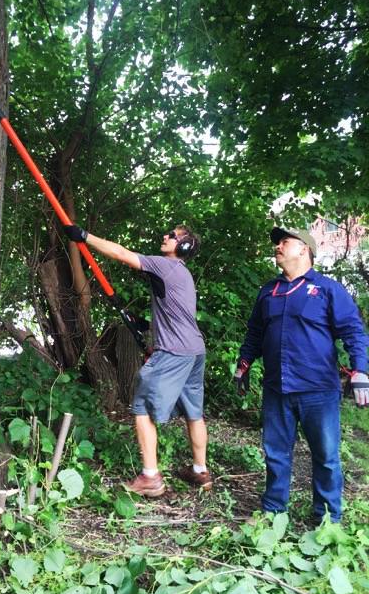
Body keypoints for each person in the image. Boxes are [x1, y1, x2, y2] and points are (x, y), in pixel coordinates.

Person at [234, 226, 369, 523]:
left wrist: (360, 370)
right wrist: (243, 364)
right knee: (275, 454)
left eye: (285, 242)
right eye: (277, 243)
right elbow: (255, 333)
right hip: (276, 389)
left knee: (326, 457)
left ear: (303, 249)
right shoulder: (268, 291)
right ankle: (273, 514)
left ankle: (326, 520)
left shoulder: (327, 289)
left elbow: (353, 332)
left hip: (318, 390)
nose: (278, 247)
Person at [63, 223, 210, 496]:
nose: (165, 236)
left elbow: (121, 254)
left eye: (172, 235)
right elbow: (174, 313)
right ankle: (200, 471)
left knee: (141, 406)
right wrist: (145, 325)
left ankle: (150, 477)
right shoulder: (182, 274)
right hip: (194, 350)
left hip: (174, 351)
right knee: (194, 411)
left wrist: (84, 236)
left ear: (184, 245)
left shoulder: (166, 265)